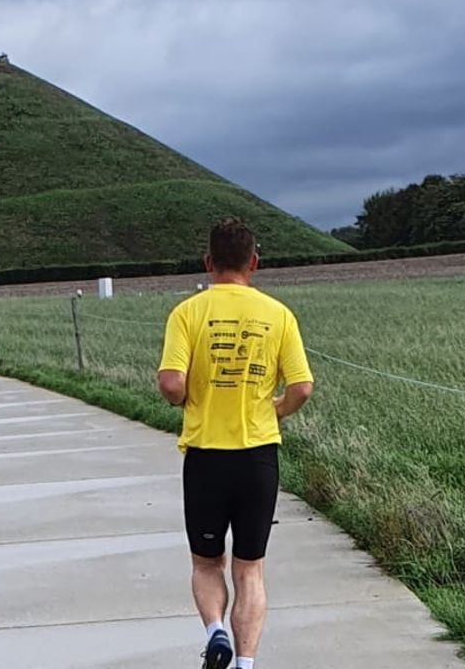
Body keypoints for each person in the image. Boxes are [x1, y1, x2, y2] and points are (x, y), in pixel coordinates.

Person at [157, 218, 314, 669]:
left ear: (208, 262)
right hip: (258, 457)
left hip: (206, 457)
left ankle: (216, 632)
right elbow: (302, 387)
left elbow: (171, 383)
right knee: (250, 568)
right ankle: (245, 664)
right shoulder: (278, 315)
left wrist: (185, 399)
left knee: (207, 563)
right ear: (254, 262)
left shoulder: (187, 313)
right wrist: (275, 410)